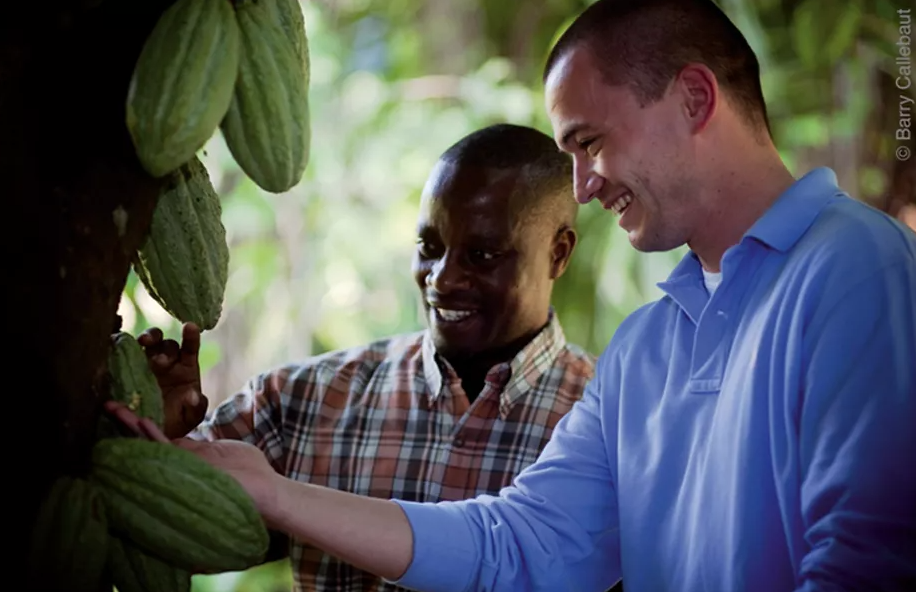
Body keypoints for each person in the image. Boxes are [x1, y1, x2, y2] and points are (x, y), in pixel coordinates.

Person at [109, 0, 916, 590]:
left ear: (695, 99)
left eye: (589, 143)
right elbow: (520, 543)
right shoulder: (647, 346)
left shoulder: (854, 265)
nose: (583, 187)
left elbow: (867, 563)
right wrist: (273, 494)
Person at [123, 123, 600, 591]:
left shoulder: (607, 424)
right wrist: (156, 428)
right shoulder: (301, 399)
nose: (442, 279)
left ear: (558, 254)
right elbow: (160, 531)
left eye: (482, 255)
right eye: (429, 247)